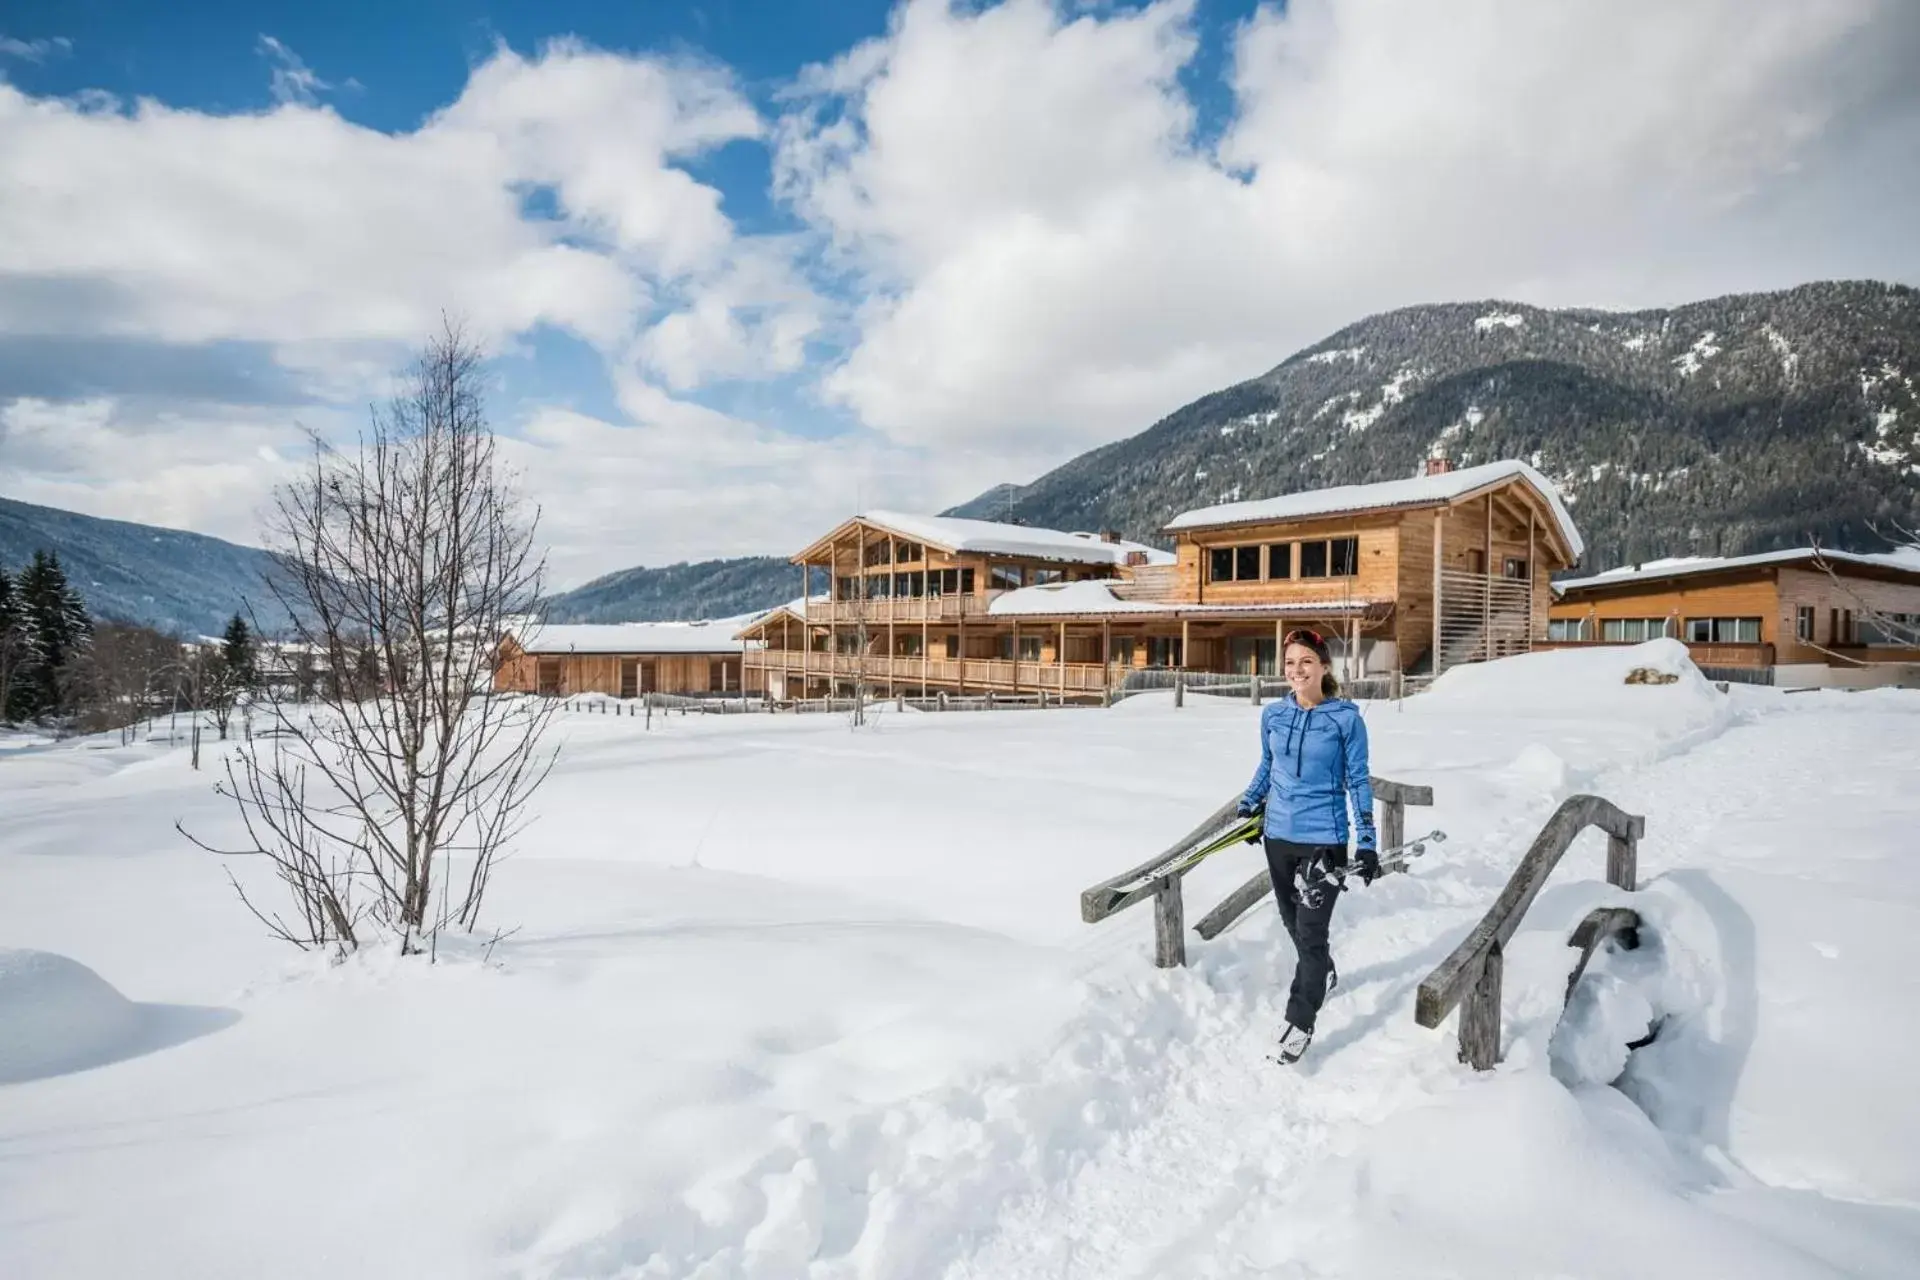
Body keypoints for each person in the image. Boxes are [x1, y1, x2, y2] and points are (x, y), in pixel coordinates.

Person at [1237, 627, 1377, 1063]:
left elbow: (1358, 781)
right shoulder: (1273, 716)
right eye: (1290, 663)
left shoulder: (1346, 720)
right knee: (1294, 925)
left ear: (1323, 667)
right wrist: (1249, 803)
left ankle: (1300, 1021)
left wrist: (1368, 842)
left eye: (1306, 662)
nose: (1296, 671)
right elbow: (1268, 764)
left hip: (1324, 841)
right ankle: (1324, 974)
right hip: (1278, 836)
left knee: (1312, 935)